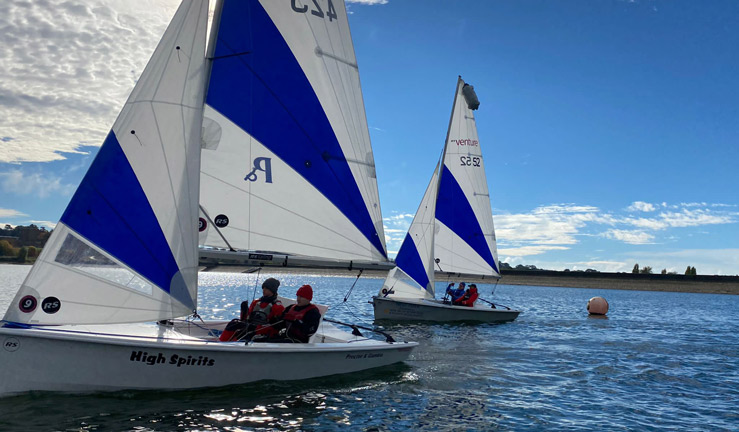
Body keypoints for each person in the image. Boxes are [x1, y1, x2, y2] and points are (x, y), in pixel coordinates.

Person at [219, 277, 285, 342]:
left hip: (263, 329)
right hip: (251, 325)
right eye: (263, 288)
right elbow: (246, 319)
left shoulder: (277, 306)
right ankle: (222, 341)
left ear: (272, 290)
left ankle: (232, 343)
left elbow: (278, 326)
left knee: (246, 332)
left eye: (266, 288)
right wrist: (244, 310)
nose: (264, 290)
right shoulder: (256, 302)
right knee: (233, 324)